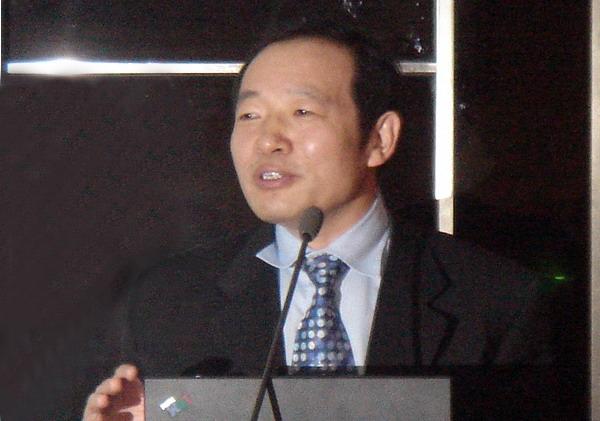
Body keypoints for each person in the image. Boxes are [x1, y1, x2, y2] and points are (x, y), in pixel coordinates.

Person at [83, 21, 552, 420]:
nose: (268, 140)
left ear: (379, 138)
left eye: (302, 111)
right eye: (249, 115)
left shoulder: (495, 300)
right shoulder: (169, 300)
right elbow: (171, 408)